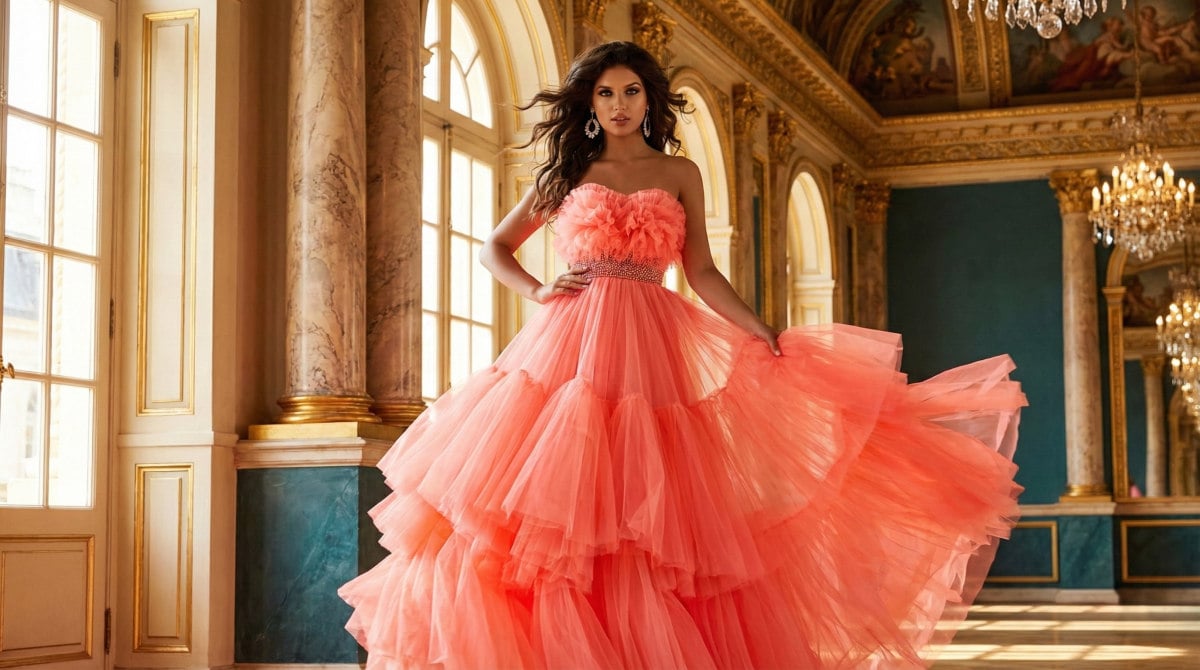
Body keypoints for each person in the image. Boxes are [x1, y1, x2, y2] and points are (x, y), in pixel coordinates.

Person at [339, 41, 1026, 669]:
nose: (617, 105)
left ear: (650, 98)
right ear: (588, 102)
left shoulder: (679, 171)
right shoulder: (568, 172)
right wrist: (537, 287)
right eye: (605, 93)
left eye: (630, 91)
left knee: (650, 509)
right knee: (549, 507)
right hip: (569, 343)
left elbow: (700, 272)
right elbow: (495, 246)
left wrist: (760, 330)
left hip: (652, 345)